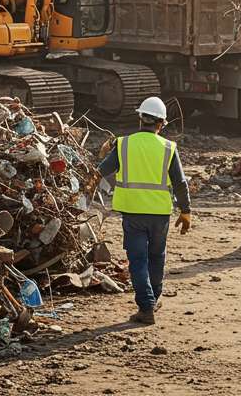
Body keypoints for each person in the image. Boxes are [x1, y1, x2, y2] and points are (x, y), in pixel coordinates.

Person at [97, 96, 192, 325]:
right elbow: (180, 182)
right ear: (161, 123)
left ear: (141, 119)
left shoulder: (124, 144)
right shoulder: (169, 147)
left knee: (138, 260)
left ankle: (146, 306)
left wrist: (105, 152)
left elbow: (101, 170)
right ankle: (153, 300)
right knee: (157, 257)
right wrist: (186, 211)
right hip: (160, 215)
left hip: (133, 214)